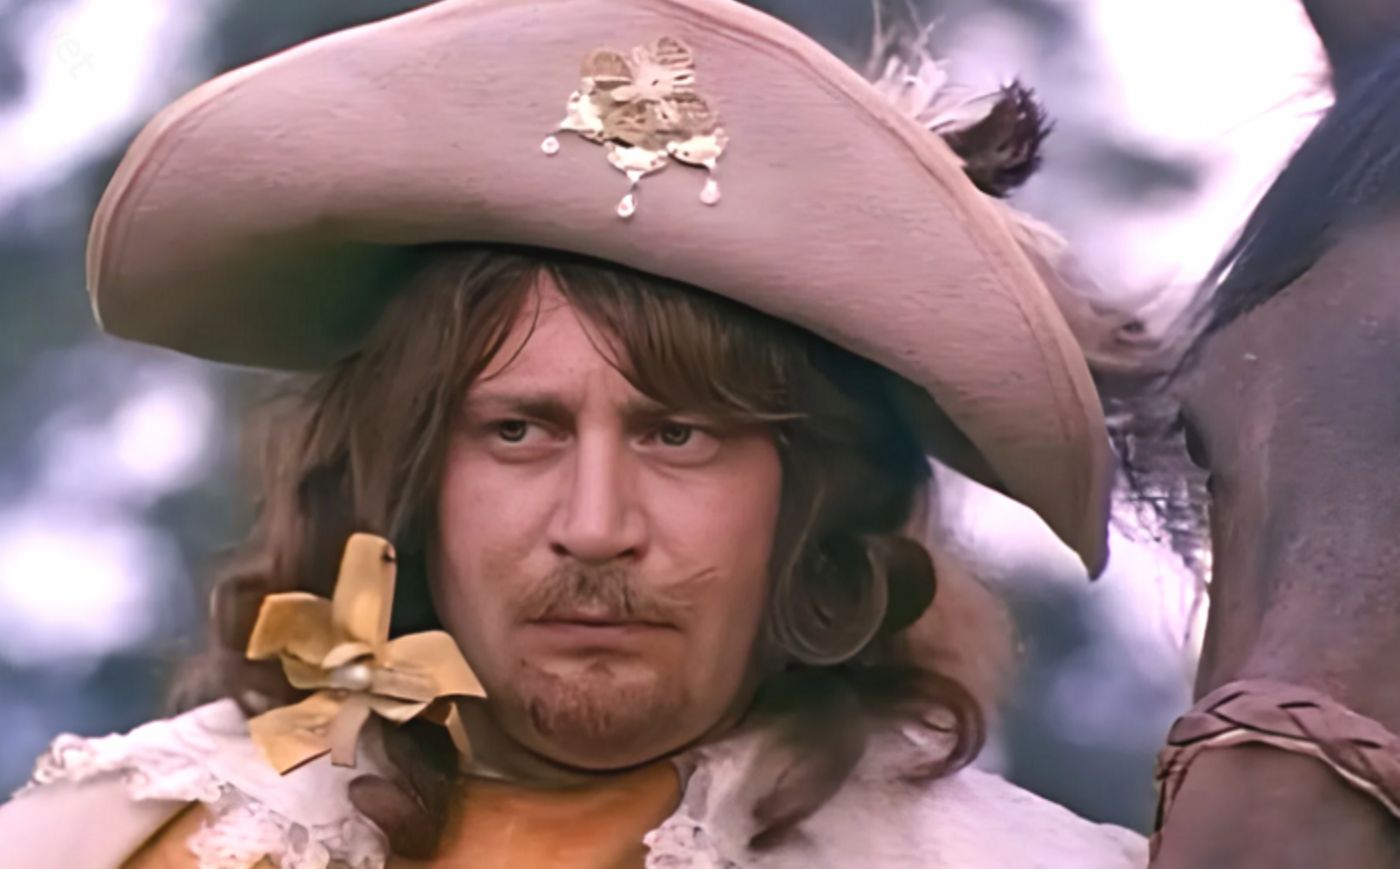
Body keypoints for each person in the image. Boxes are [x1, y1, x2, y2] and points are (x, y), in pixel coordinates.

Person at [0, 0, 1147, 865]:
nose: (595, 526)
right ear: (407, 477)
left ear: (811, 498)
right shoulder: (145, 842)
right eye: (517, 429)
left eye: (679, 435)